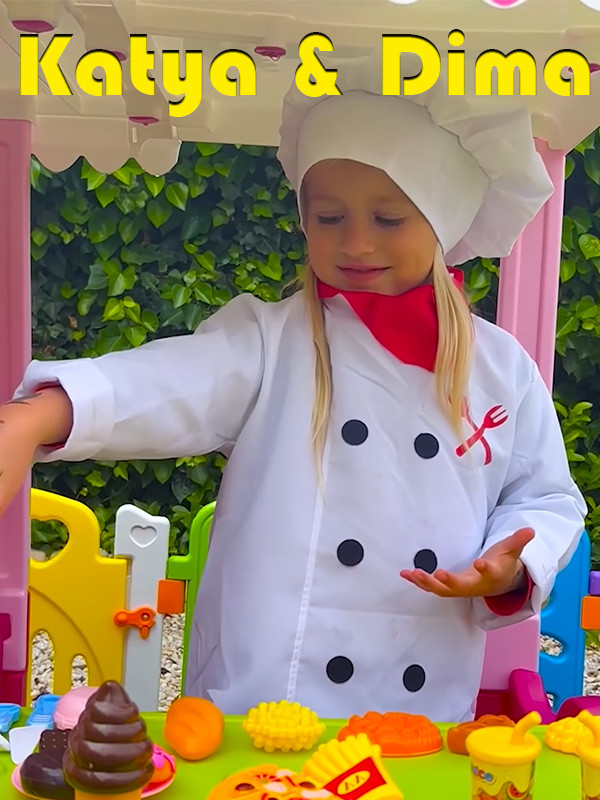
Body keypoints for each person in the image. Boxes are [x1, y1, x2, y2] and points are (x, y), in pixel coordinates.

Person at [0, 63, 587, 722]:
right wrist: (37, 416)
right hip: (267, 696)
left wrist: (513, 563)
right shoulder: (271, 341)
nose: (356, 241)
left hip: (417, 704)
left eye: (389, 218)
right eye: (329, 216)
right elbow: (166, 382)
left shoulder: (501, 368)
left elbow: (544, 497)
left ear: (444, 217)